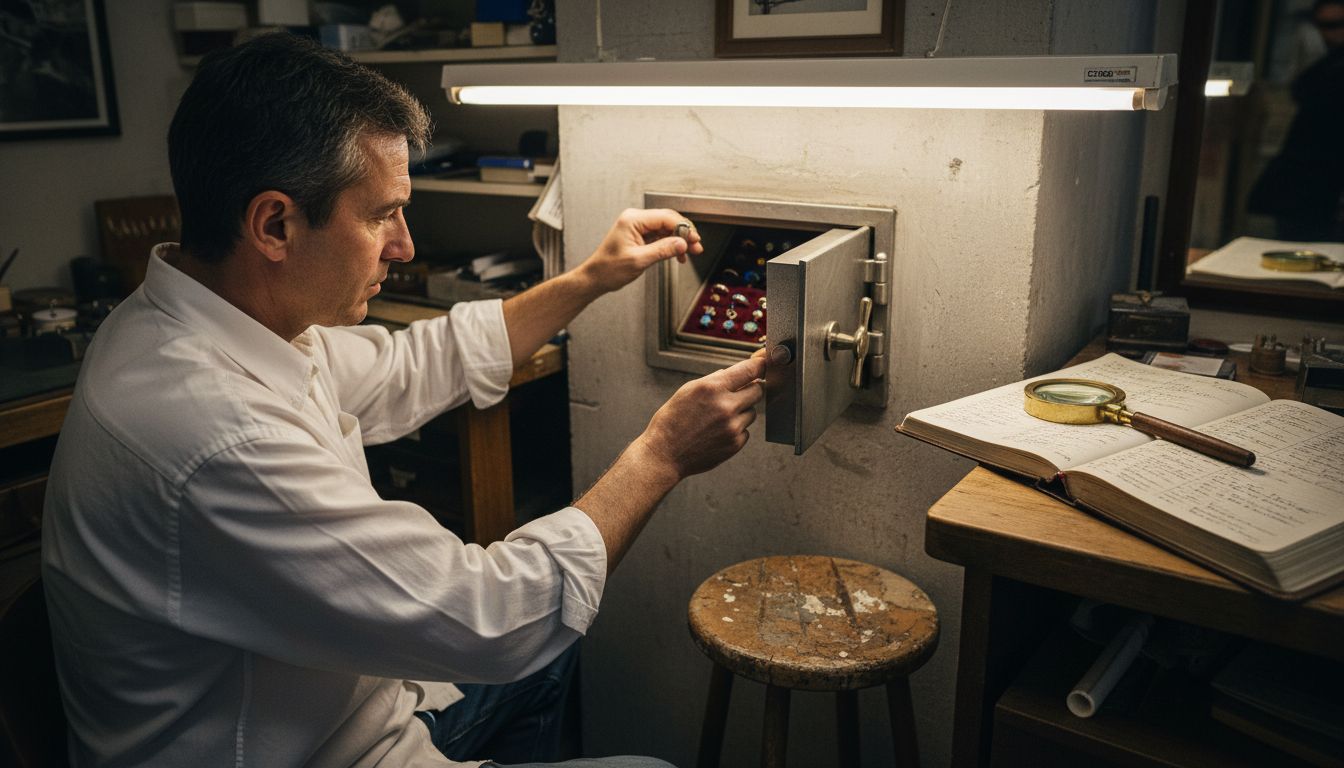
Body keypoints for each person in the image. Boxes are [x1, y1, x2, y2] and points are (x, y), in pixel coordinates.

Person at [40, 33, 764, 768]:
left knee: (554, 654)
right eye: (381, 215)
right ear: (274, 225)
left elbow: (411, 364)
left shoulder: (202, 318)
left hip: (361, 704)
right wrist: (660, 455)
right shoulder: (215, 433)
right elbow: (491, 619)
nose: (405, 246)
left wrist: (589, 280)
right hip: (326, 753)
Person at [1247, 0, 1344, 241]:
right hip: (1308, 182)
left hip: (1321, 181)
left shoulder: (1332, 67)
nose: (1330, 33)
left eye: (1336, 24)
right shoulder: (1325, 61)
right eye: (1323, 25)